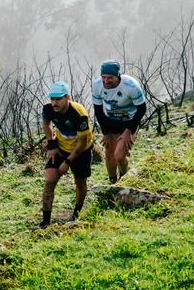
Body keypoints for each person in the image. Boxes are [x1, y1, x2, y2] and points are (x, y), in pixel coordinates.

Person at [39, 81, 95, 227]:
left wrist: (67, 162)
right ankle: (45, 221)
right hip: (60, 147)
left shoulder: (79, 114)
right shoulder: (48, 108)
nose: (54, 103)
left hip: (81, 150)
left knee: (80, 182)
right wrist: (51, 145)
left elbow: (82, 143)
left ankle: (77, 212)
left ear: (67, 97)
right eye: (52, 99)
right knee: (50, 180)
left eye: (58, 99)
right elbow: (46, 124)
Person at [91, 60, 150, 183]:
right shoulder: (97, 85)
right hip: (110, 122)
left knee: (119, 155)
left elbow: (142, 109)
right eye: (104, 77)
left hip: (129, 122)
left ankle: (124, 179)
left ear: (118, 76)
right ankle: (113, 182)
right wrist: (105, 133)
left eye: (110, 78)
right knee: (110, 157)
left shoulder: (131, 86)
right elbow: (98, 111)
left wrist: (129, 131)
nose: (106, 81)